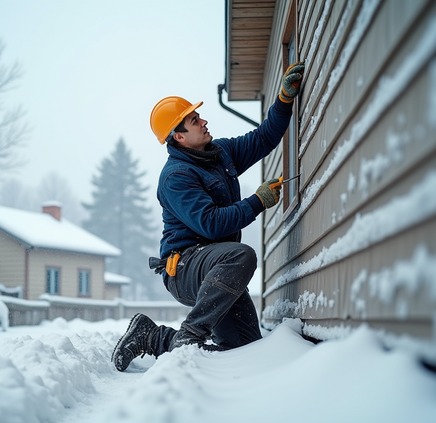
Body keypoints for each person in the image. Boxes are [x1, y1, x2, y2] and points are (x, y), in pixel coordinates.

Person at [111, 62, 305, 372]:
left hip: (218, 268)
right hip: (185, 268)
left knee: (244, 348)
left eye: (198, 115)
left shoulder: (219, 153)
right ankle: (190, 334)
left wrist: (283, 101)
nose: (203, 121)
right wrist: (257, 201)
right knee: (243, 255)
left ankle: (153, 337)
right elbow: (212, 224)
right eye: (193, 120)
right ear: (179, 137)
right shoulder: (176, 176)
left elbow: (263, 139)